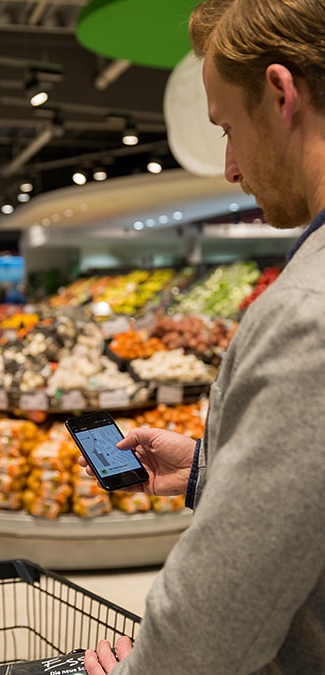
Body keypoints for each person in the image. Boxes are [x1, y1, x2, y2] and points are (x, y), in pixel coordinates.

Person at [80, 1, 325, 673]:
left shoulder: (307, 311)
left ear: (280, 94)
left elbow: (211, 629)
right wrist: (216, 473)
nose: (230, 168)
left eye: (225, 128)